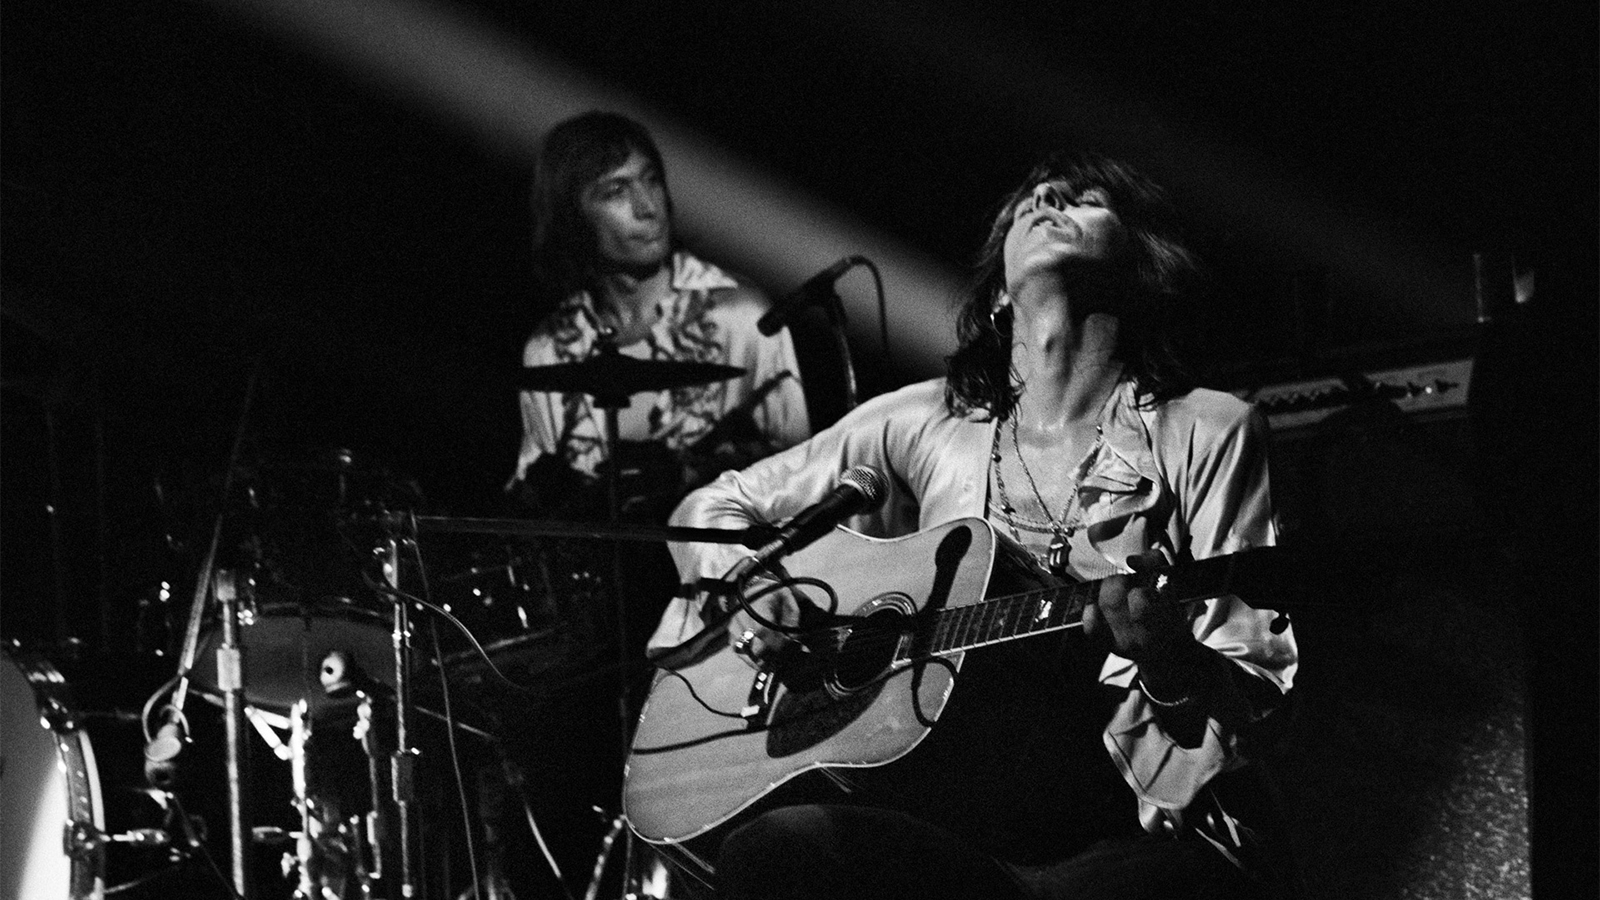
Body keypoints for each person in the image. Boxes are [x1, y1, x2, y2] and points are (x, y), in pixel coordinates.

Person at [645, 152, 1300, 899]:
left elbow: (1258, 694)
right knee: (778, 850)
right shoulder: (924, 420)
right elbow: (711, 508)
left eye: (1088, 200)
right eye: (1030, 201)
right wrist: (754, 585)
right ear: (996, 295)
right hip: (947, 815)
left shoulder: (1212, 430)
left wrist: (1171, 663)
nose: (1049, 199)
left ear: (1144, 266)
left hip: (1126, 828)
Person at [510, 110, 811, 517]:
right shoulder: (550, 349)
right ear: (572, 217)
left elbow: (806, 471)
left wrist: (695, 475)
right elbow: (537, 510)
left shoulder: (741, 316)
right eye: (616, 191)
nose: (647, 206)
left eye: (651, 179)